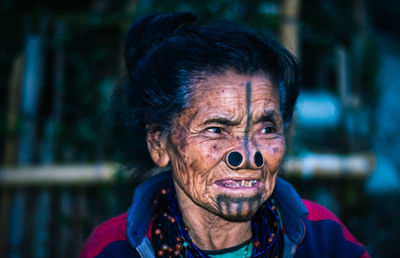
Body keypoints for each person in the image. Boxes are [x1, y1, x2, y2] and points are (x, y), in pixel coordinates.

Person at [80, 12, 369, 258]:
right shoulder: (112, 249)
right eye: (216, 129)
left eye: (267, 129)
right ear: (158, 142)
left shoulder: (324, 239)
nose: (247, 156)